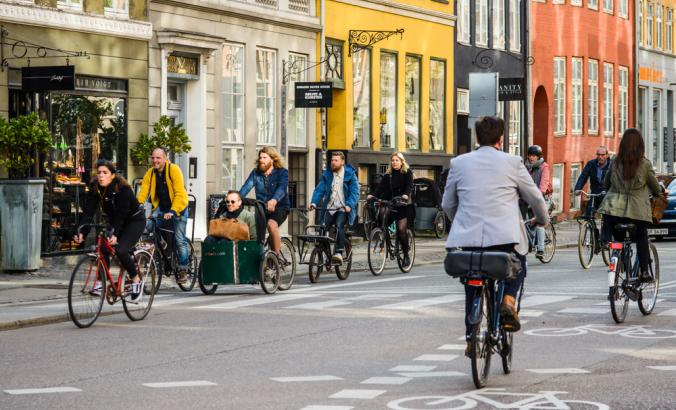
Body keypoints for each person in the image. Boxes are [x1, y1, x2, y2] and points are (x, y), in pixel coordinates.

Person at [442, 116, 548, 353]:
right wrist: (542, 219)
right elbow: (535, 198)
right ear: (501, 139)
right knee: (518, 265)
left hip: (466, 239)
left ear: (477, 138)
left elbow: (448, 203)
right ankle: (509, 300)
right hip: (504, 238)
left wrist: (459, 222)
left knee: (472, 279)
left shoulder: (459, 163)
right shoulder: (512, 162)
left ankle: (471, 336)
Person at [74, 159, 146, 303]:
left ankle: (136, 279)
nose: (101, 176)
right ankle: (101, 283)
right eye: (99, 172)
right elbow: (88, 212)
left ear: (112, 175)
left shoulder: (123, 189)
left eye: (105, 173)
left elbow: (121, 214)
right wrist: (81, 231)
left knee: (121, 250)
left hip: (133, 221)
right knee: (103, 248)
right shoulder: (95, 187)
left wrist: (115, 234)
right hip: (114, 221)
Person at [598, 128, 664, 282]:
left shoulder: (614, 161)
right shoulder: (645, 164)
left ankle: (618, 262)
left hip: (612, 211)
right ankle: (645, 272)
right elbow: (655, 187)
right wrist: (659, 191)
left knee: (618, 239)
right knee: (641, 237)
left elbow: (606, 183)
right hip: (637, 213)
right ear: (640, 145)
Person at [136, 147, 191, 283]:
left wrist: (173, 211)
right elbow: (144, 191)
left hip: (179, 208)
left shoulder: (174, 170)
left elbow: (179, 193)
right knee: (148, 225)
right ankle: (161, 242)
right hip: (162, 207)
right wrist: (136, 206)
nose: (155, 160)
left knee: (180, 240)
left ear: (165, 158)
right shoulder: (151, 172)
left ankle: (183, 270)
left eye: (158, 158)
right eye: (153, 158)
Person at [310, 151, 359, 264]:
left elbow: (355, 193)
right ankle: (324, 251)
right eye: (332, 160)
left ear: (342, 162)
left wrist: (349, 205)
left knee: (339, 225)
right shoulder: (327, 174)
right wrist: (313, 203)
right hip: (330, 208)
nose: (333, 162)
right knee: (322, 226)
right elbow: (319, 189)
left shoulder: (350, 174)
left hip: (343, 208)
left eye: (336, 160)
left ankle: (338, 252)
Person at [367, 152, 416, 267]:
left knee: (401, 230)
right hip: (390, 203)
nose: (394, 162)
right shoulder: (388, 175)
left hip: (403, 205)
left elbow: (409, 185)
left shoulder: (407, 173)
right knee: (381, 218)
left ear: (402, 162)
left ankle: (406, 255)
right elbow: (380, 188)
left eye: (397, 160)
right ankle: (384, 235)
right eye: (393, 160)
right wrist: (372, 195)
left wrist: (405, 194)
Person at [240, 147, 289, 254]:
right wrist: (236, 198)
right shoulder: (255, 173)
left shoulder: (282, 172)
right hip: (261, 208)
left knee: (271, 225)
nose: (261, 160)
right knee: (257, 236)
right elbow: (246, 187)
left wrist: (274, 200)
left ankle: (275, 257)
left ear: (272, 159)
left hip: (280, 208)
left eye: (264, 157)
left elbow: (282, 188)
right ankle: (262, 261)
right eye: (260, 157)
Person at [574, 146, 612, 245]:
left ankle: (605, 240)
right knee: (588, 215)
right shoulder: (591, 164)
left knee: (607, 217)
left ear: (607, 155)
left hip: (608, 195)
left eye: (603, 155)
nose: (600, 157)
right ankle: (595, 235)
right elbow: (583, 177)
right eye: (598, 155)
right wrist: (578, 188)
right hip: (595, 194)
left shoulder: (612, 165)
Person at [524, 145, 552, 258]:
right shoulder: (525, 167)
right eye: (530, 155)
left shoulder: (544, 167)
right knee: (523, 221)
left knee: (540, 222)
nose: (531, 158)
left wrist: (539, 194)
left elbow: (544, 183)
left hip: (542, 198)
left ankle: (540, 249)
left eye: (534, 155)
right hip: (529, 198)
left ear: (539, 156)